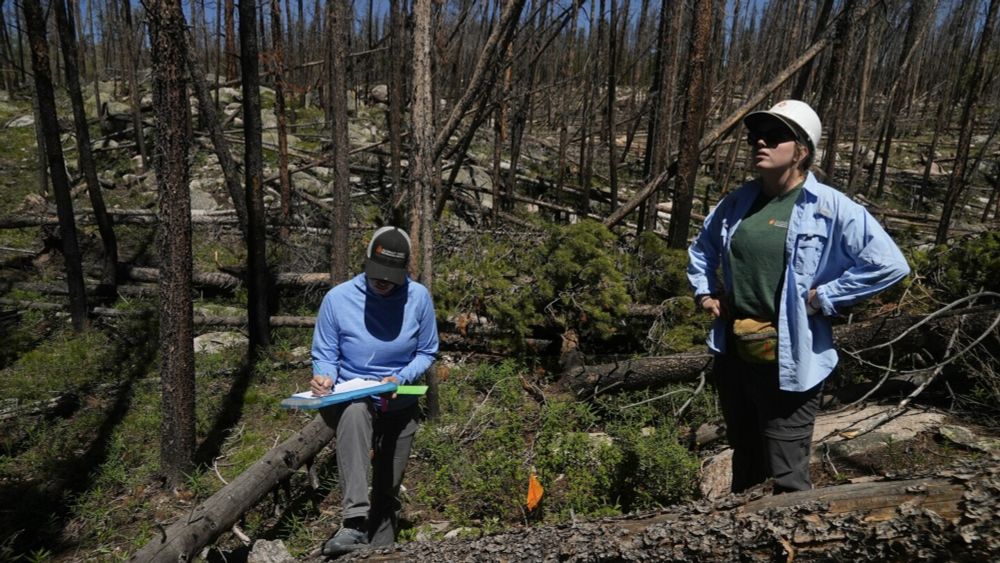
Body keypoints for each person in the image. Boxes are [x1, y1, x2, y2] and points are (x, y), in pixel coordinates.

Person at [687, 100, 910, 494]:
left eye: (774, 137)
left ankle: (797, 540)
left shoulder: (830, 207)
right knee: (746, 457)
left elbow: (888, 264)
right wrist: (705, 293)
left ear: (802, 150)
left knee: (787, 471)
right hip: (735, 352)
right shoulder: (738, 203)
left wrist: (825, 297)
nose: (760, 143)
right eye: (756, 136)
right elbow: (702, 248)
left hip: (790, 356)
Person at [310, 226, 439, 555]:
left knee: (388, 487)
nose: (382, 281)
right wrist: (324, 376)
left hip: (400, 399)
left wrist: (400, 378)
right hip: (351, 396)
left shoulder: (418, 298)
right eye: (377, 273)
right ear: (366, 262)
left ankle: (382, 549)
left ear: (404, 271)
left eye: (391, 276)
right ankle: (353, 522)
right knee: (355, 413)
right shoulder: (338, 299)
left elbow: (426, 351)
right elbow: (326, 353)